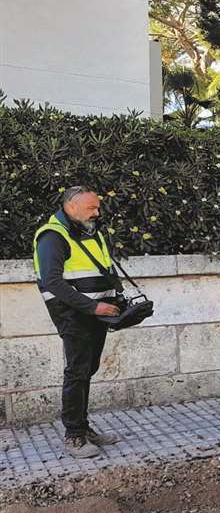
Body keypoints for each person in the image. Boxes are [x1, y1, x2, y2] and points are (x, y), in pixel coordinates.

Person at [33, 186, 123, 458]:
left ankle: (82, 429)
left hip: (96, 314)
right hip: (74, 315)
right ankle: (74, 436)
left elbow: (101, 268)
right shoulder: (52, 236)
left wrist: (116, 299)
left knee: (87, 369)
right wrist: (93, 306)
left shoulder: (86, 230)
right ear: (71, 207)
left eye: (97, 207)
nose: (97, 212)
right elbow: (52, 282)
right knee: (77, 372)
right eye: (91, 208)